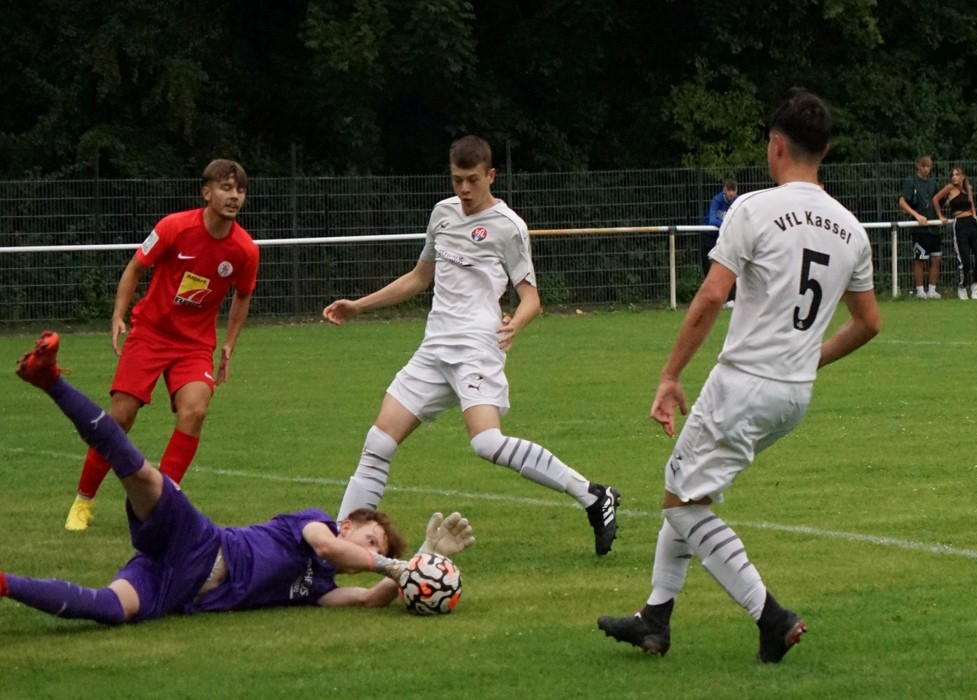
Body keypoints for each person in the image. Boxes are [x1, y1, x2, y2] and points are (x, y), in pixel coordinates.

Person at [597, 88, 881, 664]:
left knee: (681, 505)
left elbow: (710, 296)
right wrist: (809, 359)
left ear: (776, 146)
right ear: (825, 150)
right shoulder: (852, 229)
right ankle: (655, 618)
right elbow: (868, 323)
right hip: (792, 397)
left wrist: (670, 374)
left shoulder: (753, 208)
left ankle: (771, 617)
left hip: (744, 383)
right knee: (687, 486)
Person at [4, 332, 474, 624]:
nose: (371, 551)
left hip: (176, 586)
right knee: (140, 473)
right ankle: (50, 380)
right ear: (347, 524)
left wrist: (425, 558)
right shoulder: (316, 525)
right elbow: (331, 549)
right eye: (371, 540)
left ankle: (5, 583)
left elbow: (371, 600)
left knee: (111, 608)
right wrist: (391, 564)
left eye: (378, 550)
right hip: (200, 543)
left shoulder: (322, 590)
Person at [322, 135, 620, 556]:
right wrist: (358, 305)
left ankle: (593, 495)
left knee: (486, 443)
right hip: (433, 349)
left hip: (477, 348)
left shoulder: (509, 227)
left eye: (472, 180)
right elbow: (419, 277)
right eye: (457, 180)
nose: (464, 189)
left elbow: (531, 298)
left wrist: (515, 324)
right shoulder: (442, 214)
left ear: (491, 176)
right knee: (378, 444)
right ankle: (338, 545)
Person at [64, 159, 261, 531]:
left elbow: (243, 296)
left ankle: (161, 508)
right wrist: (118, 315)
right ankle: (83, 500)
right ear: (206, 192)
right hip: (151, 333)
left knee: (195, 412)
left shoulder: (245, 250)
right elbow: (135, 267)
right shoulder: (173, 226)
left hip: (195, 345)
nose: (234, 196)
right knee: (121, 416)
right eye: (226, 188)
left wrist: (229, 345)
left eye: (240, 190)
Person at [933, 165, 977, 300]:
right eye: (953, 175)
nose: (954, 177)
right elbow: (935, 199)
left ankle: (976, 283)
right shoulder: (950, 188)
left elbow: (971, 203)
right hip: (960, 225)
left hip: (971, 223)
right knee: (965, 260)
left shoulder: (968, 189)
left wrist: (974, 215)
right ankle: (962, 286)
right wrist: (940, 216)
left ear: (963, 177)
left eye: (957, 175)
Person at [899, 155, 942, 299]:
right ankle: (920, 291)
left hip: (933, 226)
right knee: (920, 258)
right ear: (918, 166)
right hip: (919, 228)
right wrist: (916, 215)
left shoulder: (933, 183)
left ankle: (932, 290)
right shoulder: (911, 182)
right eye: (923, 166)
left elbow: (938, 201)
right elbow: (902, 202)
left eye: (928, 166)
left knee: (936, 258)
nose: (926, 169)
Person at [701, 179, 738, 308]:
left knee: (729, 264)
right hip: (709, 236)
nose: (731, 193)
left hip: (725, 236)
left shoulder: (738, 201)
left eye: (733, 190)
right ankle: (709, 299)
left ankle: (731, 298)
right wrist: (727, 225)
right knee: (708, 268)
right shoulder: (717, 200)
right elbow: (712, 220)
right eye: (729, 190)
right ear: (724, 190)